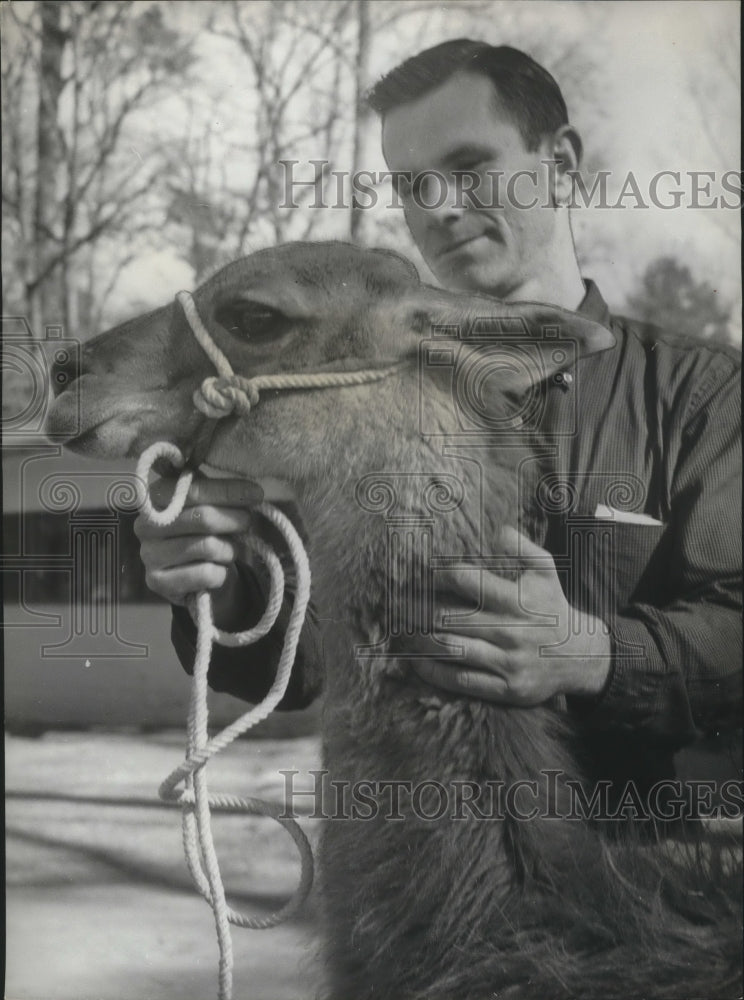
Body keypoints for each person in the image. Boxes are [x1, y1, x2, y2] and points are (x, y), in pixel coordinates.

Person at [135, 40, 741, 810]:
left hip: (660, 892)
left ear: (559, 164)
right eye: (412, 184)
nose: (439, 206)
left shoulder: (702, 397)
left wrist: (593, 656)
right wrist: (224, 585)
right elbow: (311, 655)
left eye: (469, 166)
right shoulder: (367, 400)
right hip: (423, 887)